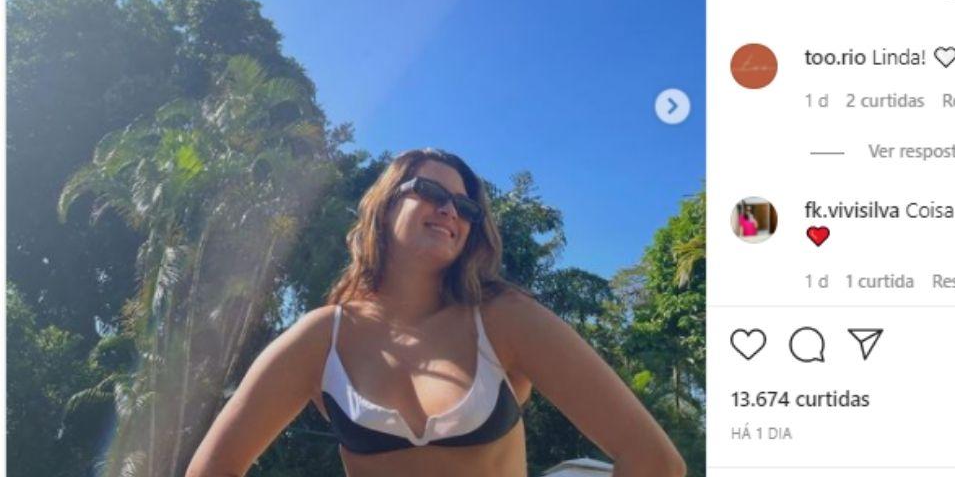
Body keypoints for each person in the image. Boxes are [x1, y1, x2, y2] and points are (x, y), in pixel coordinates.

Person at [187, 148, 685, 477]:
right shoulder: (322, 339)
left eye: (466, 209)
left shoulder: (505, 320)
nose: (450, 211)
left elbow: (654, 461)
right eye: (431, 192)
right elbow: (211, 469)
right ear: (384, 207)